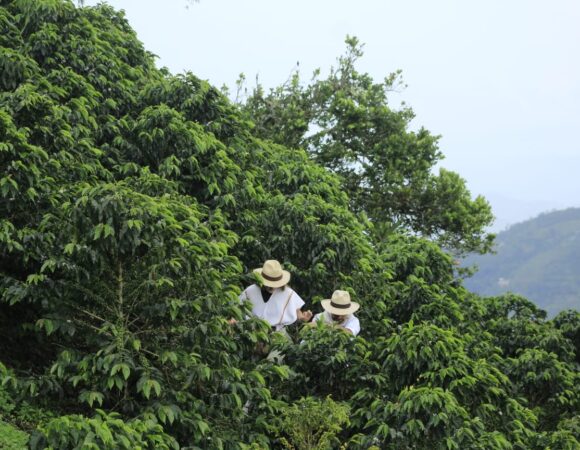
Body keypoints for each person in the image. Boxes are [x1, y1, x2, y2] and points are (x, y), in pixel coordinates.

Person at [238, 259, 312, 331]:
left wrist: (303, 318)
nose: (271, 287)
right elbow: (238, 307)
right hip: (252, 332)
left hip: (276, 335)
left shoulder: (288, 293)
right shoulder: (251, 290)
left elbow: (297, 312)